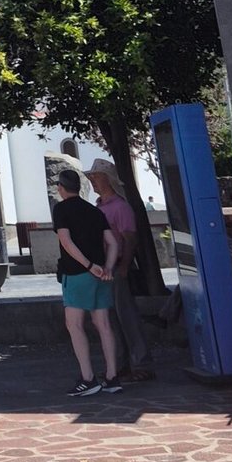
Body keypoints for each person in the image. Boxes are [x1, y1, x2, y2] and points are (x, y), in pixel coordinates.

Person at [53, 169, 122, 397]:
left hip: (77, 274)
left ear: (61, 188)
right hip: (101, 274)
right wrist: (107, 267)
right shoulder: (95, 211)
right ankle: (112, 376)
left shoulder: (61, 209)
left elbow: (66, 241)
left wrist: (88, 265)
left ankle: (88, 378)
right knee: (103, 324)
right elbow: (112, 243)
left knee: (74, 324)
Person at [88, 158, 155, 382]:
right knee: (112, 319)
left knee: (127, 316)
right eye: (92, 177)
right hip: (105, 268)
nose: (93, 181)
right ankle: (122, 364)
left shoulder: (120, 207)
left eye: (96, 177)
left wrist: (125, 266)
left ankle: (141, 363)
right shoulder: (100, 207)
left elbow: (130, 239)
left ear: (108, 179)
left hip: (117, 266)